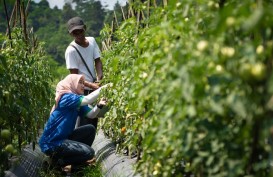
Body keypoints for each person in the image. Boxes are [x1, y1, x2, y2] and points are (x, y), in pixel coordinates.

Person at [39, 74, 108, 171]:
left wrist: (99, 105)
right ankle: (55, 164)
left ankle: (74, 162)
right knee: (89, 152)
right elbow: (87, 99)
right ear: (71, 83)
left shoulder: (76, 101)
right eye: (80, 82)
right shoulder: (66, 97)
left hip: (64, 139)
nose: (83, 86)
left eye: (84, 83)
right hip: (52, 143)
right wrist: (106, 87)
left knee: (90, 129)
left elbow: (91, 115)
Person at [65, 16, 103, 129]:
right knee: (85, 123)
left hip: (93, 88)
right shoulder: (71, 51)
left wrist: (99, 78)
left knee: (93, 121)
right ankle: (82, 146)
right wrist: (92, 85)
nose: (79, 35)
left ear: (85, 28)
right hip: (82, 91)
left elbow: (98, 61)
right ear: (71, 34)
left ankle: (87, 145)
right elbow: (74, 78)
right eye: (75, 33)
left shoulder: (92, 41)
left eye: (80, 31)